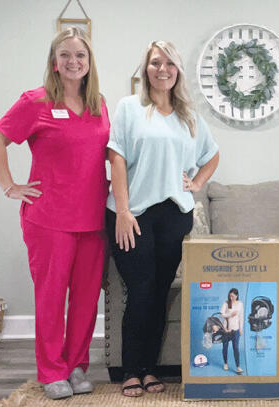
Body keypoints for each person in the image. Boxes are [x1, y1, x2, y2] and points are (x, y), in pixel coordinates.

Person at [0, 28, 109, 399]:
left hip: (93, 220)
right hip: (49, 220)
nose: (73, 62)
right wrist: (9, 184)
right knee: (50, 297)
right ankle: (51, 371)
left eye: (80, 55)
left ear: (90, 62)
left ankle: (76, 367)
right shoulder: (36, 101)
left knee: (86, 300)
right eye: (65, 55)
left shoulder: (99, 104)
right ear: (54, 62)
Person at [106, 40, 219, 397]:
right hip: (133, 215)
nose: (162, 69)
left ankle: (150, 370)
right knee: (139, 292)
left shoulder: (190, 117)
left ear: (178, 71)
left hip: (175, 215)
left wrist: (196, 182)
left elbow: (212, 156)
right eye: (155, 62)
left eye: (169, 63)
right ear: (146, 69)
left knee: (157, 295)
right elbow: (117, 158)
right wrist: (122, 211)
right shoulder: (129, 108)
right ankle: (130, 371)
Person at [220, 288, 244, 374]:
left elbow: (241, 317)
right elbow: (221, 315)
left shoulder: (240, 304)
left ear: (236, 296)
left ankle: (238, 367)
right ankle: (225, 363)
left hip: (236, 330)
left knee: (236, 348)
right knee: (225, 347)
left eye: (233, 296)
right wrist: (230, 314)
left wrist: (241, 328)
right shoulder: (226, 303)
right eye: (230, 296)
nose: (231, 298)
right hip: (226, 330)